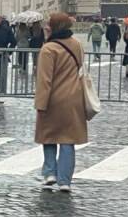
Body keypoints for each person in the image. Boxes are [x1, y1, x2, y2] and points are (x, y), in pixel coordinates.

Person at [34, 13, 88, 194]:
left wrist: (41, 103)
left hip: (53, 98)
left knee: (47, 135)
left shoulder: (49, 49)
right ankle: (65, 180)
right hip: (73, 97)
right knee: (68, 140)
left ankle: (50, 172)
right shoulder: (78, 45)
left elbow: (44, 80)